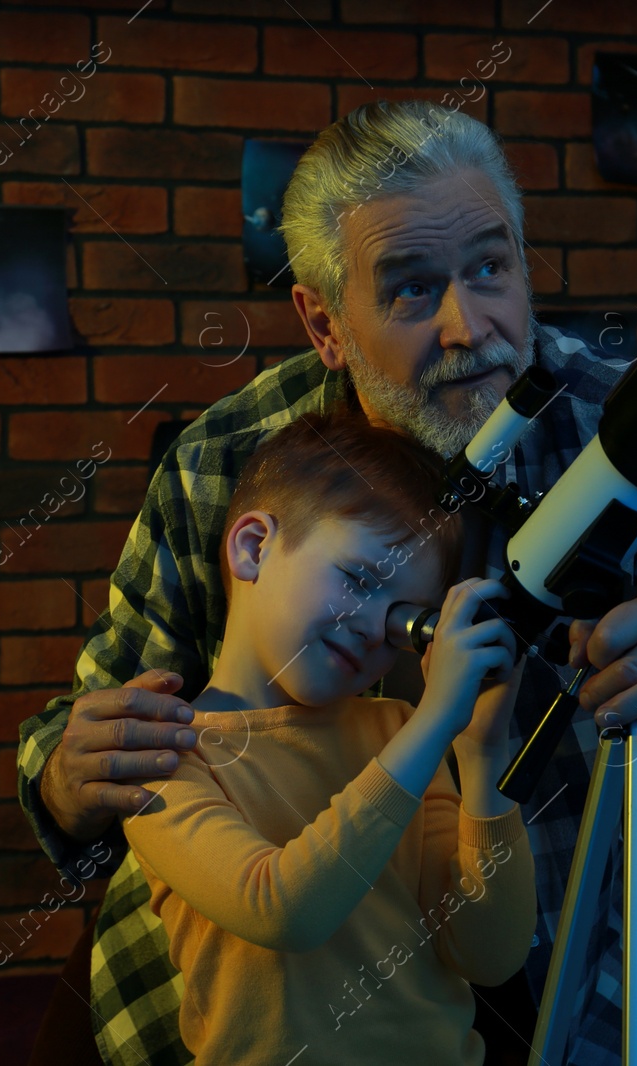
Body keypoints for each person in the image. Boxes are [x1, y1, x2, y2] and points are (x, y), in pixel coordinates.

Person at [18, 99, 637, 1066]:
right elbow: (82, 741)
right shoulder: (228, 458)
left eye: (491, 270)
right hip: (221, 991)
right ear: (325, 323)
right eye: (413, 290)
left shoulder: (621, 430)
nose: (471, 328)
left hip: (525, 955)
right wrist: (68, 773)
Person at [117, 406, 536, 1065]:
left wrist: (482, 757)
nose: (375, 629)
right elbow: (284, 910)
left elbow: (488, 954)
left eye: (404, 619)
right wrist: (433, 724)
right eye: (359, 580)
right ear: (254, 548)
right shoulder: (159, 753)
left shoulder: (393, 730)